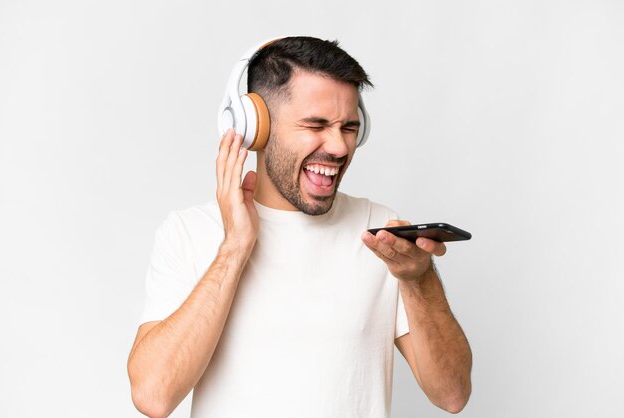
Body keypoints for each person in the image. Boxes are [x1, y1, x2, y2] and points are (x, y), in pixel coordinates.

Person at [127, 36, 472, 418]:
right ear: (253, 127)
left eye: (349, 128)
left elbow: (452, 394)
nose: (339, 148)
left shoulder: (381, 235)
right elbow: (154, 396)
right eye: (316, 125)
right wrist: (235, 247)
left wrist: (418, 279)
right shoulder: (190, 233)